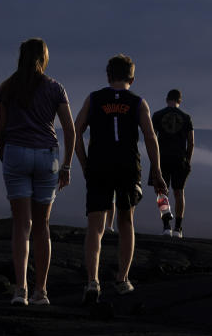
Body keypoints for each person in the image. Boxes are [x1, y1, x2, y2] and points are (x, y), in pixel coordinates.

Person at [74, 54, 166, 303]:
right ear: (132, 78)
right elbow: (150, 137)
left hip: (99, 165)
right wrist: (156, 171)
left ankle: (92, 281)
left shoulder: (94, 99)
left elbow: (76, 130)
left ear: (108, 76)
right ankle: (122, 279)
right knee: (126, 221)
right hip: (127, 166)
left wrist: (84, 164)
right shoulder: (138, 102)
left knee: (95, 226)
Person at [0, 38, 75, 306]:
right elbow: (70, 130)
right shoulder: (55, 88)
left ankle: (20, 290)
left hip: (16, 152)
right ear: (44, 58)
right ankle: (41, 291)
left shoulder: (8, 87)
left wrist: (4, 154)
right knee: (42, 226)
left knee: (21, 225)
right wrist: (66, 165)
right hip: (47, 157)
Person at [150, 89, 194, 238]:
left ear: (166, 99)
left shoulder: (157, 115)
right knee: (179, 192)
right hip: (179, 159)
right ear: (179, 101)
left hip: (161, 158)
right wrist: (187, 160)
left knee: (162, 192)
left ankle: (166, 226)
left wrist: (153, 161)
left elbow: (152, 139)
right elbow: (191, 142)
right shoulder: (186, 117)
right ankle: (178, 228)